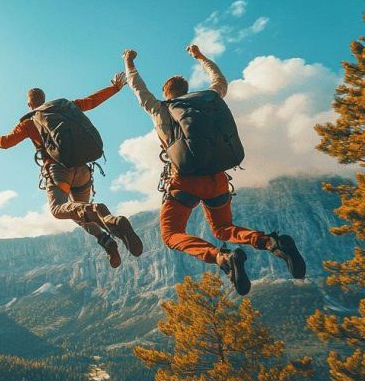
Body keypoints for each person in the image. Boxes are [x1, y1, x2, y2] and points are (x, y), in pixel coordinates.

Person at [123, 45, 306, 294]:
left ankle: (222, 258)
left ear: (167, 94)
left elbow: (137, 88)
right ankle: (271, 242)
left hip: (184, 182)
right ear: (186, 92)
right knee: (223, 228)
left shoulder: (161, 109)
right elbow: (219, 78)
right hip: (218, 179)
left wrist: (129, 62)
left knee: (172, 234)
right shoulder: (211, 98)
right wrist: (200, 57)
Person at [0, 75, 143, 268]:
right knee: (78, 211)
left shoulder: (29, 122)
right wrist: (115, 88)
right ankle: (108, 234)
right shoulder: (64, 108)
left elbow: (5, 142)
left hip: (59, 171)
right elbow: (91, 101)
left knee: (59, 210)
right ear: (44, 99)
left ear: (29, 104)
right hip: (83, 168)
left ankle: (98, 214)